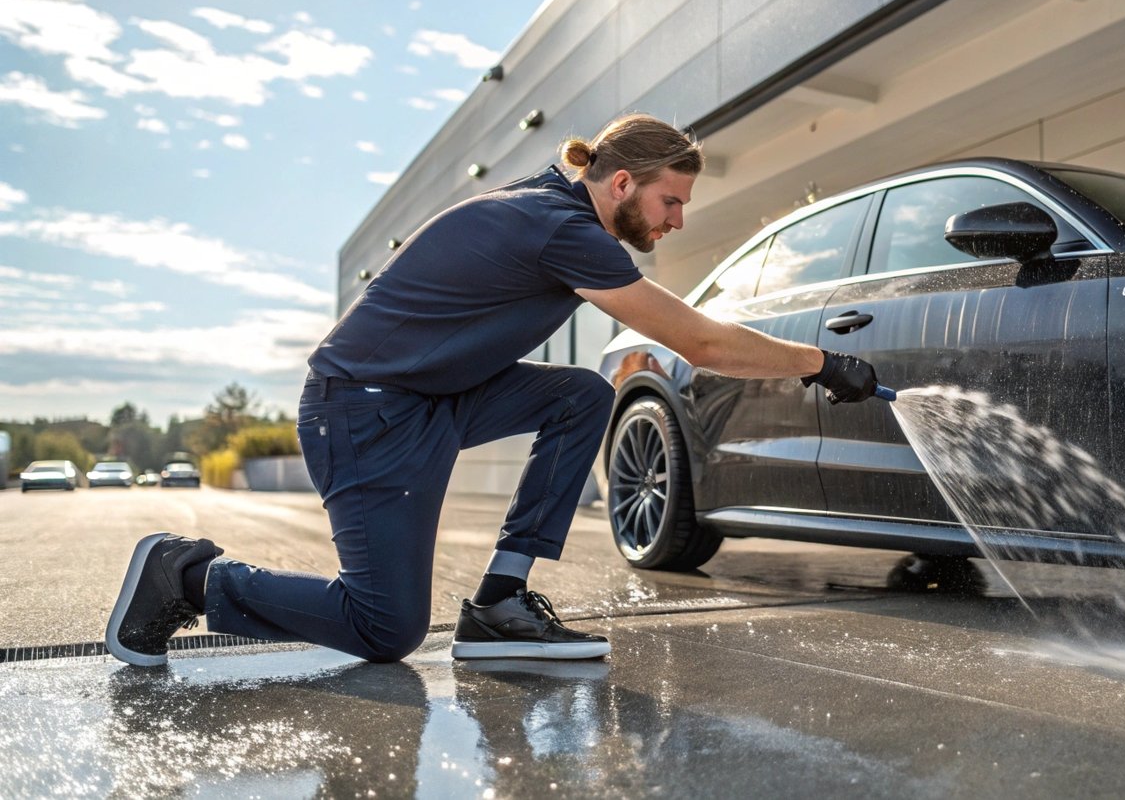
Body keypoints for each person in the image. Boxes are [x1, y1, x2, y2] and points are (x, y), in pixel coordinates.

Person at [105, 113, 879, 667]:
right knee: (385, 630)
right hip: (363, 411)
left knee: (581, 396)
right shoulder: (561, 228)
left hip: (426, 401)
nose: (677, 219)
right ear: (619, 184)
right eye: (670, 201)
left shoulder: (552, 205)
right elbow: (700, 343)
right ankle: (187, 576)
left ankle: (500, 603)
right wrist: (821, 364)